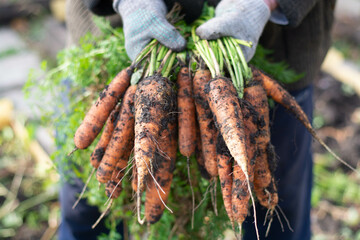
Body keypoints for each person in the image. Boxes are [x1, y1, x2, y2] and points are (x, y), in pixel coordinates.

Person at [61, 0, 336, 239]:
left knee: (273, 191)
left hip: (272, 40)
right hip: (116, 30)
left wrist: (262, 2)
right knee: (86, 198)